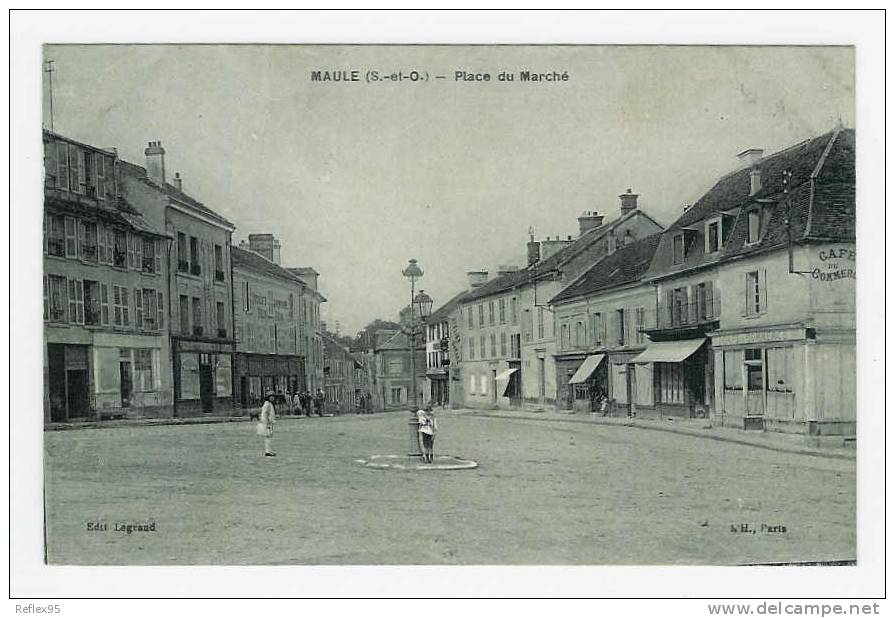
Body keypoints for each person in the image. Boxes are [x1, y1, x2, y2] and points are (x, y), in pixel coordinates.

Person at [257, 389, 277, 457]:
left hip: (269, 423)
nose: (272, 398)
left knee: (269, 437)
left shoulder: (269, 404)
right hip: (267, 423)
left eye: (273, 397)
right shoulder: (267, 404)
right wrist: (266, 422)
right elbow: (264, 414)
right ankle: (267, 451)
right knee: (268, 437)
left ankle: (268, 450)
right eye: (271, 397)